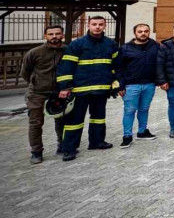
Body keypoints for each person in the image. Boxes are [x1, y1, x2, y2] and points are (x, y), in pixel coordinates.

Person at [56, 16, 117, 161]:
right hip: (80, 90)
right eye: (94, 24)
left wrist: (115, 82)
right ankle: (69, 149)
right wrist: (65, 87)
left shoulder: (111, 44)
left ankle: (97, 142)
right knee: (74, 121)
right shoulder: (77, 44)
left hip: (101, 89)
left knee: (98, 118)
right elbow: (66, 67)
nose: (97, 27)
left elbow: (116, 66)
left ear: (105, 26)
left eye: (100, 24)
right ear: (88, 25)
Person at [21, 25, 65, 164]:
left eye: (57, 34)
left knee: (61, 120)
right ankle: (36, 152)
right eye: (50, 34)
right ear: (45, 36)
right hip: (37, 93)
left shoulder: (68, 50)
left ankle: (62, 145)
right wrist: (36, 83)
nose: (54, 36)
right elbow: (25, 72)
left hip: (58, 93)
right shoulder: (35, 52)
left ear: (62, 35)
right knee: (35, 123)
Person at [116, 23, 164, 148]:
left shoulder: (155, 46)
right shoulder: (125, 48)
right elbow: (119, 68)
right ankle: (127, 136)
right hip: (131, 85)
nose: (143, 33)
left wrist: (159, 80)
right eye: (140, 31)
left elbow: (160, 63)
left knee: (144, 109)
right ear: (135, 33)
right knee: (130, 110)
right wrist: (120, 86)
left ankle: (142, 132)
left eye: (146, 31)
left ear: (149, 32)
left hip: (149, 84)